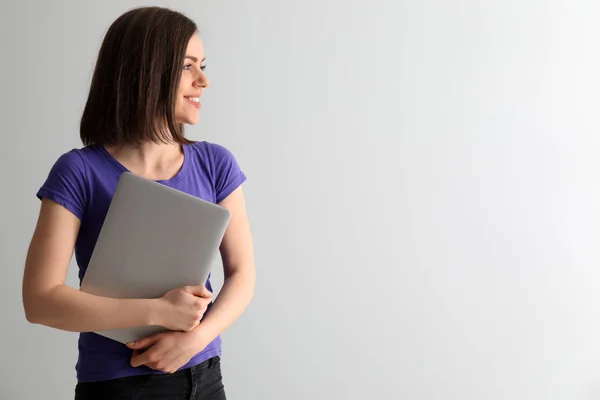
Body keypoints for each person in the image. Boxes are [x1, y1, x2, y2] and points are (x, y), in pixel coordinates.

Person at [21, 6, 255, 400]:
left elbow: (243, 276)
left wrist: (195, 339)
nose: (204, 80)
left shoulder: (216, 163)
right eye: (187, 66)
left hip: (206, 377)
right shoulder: (79, 171)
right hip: (119, 385)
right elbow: (39, 300)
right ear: (148, 71)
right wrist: (158, 312)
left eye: (203, 65)